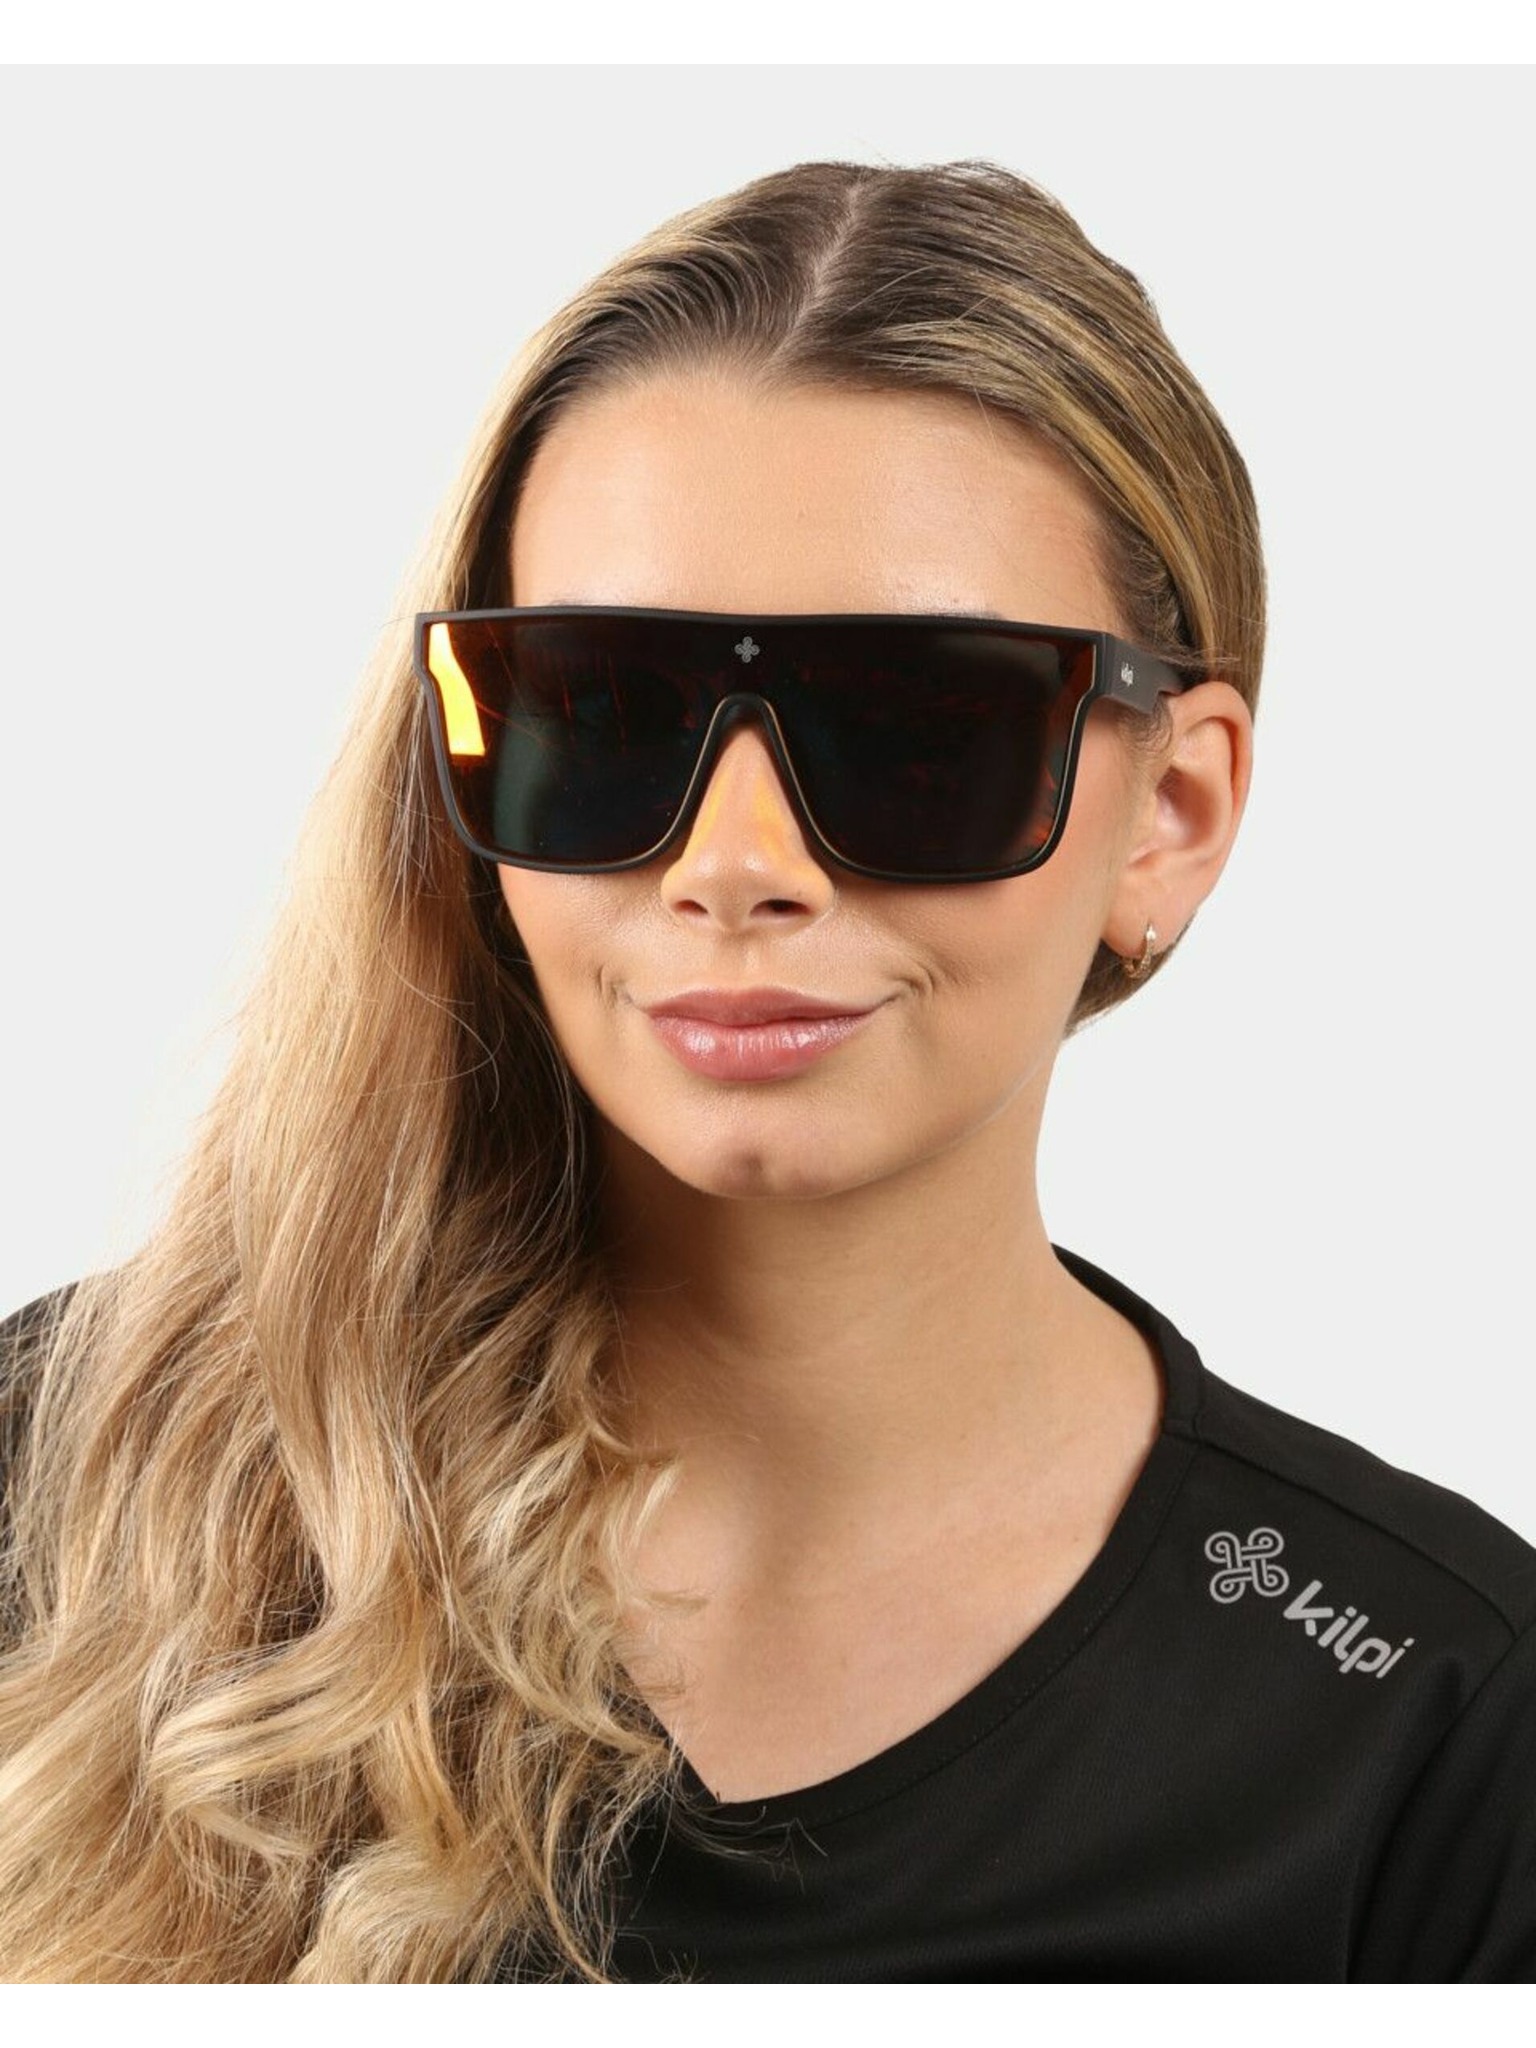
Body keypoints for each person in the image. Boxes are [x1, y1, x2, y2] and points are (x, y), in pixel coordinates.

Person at [1, 156, 1532, 1987]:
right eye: (604, 711)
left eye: (918, 725)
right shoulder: (67, 1491)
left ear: (1172, 814)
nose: (737, 863)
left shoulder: (1436, 1725)